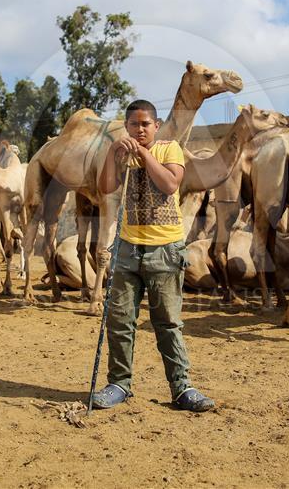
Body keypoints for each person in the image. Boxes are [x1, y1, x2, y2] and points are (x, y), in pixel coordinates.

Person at [91, 99, 215, 412]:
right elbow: (104, 187)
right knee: (120, 321)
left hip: (165, 250)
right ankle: (119, 384)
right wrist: (111, 154)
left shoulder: (170, 149)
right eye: (134, 124)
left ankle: (182, 388)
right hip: (127, 248)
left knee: (168, 323)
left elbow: (171, 184)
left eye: (146, 124)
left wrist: (143, 154)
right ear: (127, 127)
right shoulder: (120, 155)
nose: (140, 129)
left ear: (156, 126)